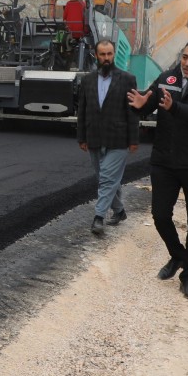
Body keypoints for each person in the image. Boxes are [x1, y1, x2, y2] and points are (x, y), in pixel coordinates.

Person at [128, 39, 188, 301]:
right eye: (185, 57)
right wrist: (139, 105)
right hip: (165, 161)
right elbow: (149, 103)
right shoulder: (165, 78)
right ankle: (177, 255)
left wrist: (175, 107)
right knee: (160, 215)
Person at [77, 40, 140, 235]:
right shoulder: (87, 80)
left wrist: (134, 139)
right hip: (94, 136)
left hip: (118, 138)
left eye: (109, 54)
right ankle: (119, 211)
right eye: (102, 54)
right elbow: (83, 110)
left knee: (106, 178)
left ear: (114, 55)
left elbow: (132, 111)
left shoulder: (128, 79)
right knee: (106, 178)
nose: (106, 58)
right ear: (96, 55)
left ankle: (98, 217)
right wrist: (82, 137)